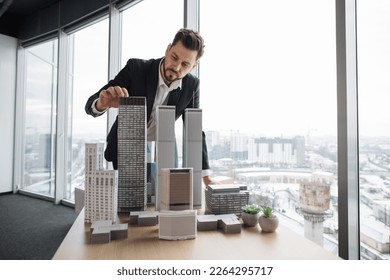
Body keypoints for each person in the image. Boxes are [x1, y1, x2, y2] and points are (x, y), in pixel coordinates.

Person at [85, 28, 213, 186]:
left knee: (162, 202)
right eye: (174, 57)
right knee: (129, 201)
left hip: (162, 154)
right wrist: (102, 103)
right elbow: (92, 102)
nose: (177, 67)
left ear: (193, 66)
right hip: (126, 149)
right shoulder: (136, 68)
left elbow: (194, 130)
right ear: (167, 49)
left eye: (185, 64)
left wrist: (206, 177)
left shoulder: (192, 85)